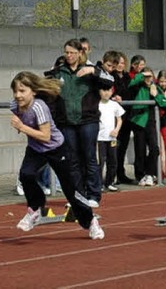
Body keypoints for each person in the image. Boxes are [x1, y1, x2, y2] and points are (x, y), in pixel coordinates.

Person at [9, 71, 104, 239]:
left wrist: (22, 127)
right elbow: (22, 122)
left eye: (22, 91)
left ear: (34, 91)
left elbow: (45, 136)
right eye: (15, 91)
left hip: (56, 148)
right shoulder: (14, 105)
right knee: (26, 175)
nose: (18, 95)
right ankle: (35, 210)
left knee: (71, 191)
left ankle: (90, 221)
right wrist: (21, 126)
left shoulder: (39, 107)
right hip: (36, 149)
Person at [53, 40, 116, 208]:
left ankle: (94, 194)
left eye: (72, 52)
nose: (69, 55)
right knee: (72, 159)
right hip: (67, 122)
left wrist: (94, 71)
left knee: (89, 157)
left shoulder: (90, 70)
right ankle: (77, 195)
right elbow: (48, 92)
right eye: (66, 52)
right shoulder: (59, 71)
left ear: (81, 53)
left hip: (88, 120)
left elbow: (110, 81)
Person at [129, 67, 166, 186]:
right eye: (145, 76)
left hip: (151, 122)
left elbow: (165, 103)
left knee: (154, 149)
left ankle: (149, 174)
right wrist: (141, 75)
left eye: (150, 76)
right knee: (140, 150)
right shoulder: (137, 87)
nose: (148, 79)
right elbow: (132, 82)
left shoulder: (155, 87)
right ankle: (140, 175)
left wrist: (156, 94)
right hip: (138, 121)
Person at [112, 52, 136, 185]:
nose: (120, 65)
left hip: (127, 117)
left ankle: (121, 173)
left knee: (123, 147)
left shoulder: (127, 77)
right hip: (115, 118)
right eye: (117, 63)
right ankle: (113, 174)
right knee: (115, 147)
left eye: (122, 63)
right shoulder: (111, 76)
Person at [97, 87, 125, 192]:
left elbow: (119, 119)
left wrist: (116, 130)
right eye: (104, 90)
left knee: (112, 160)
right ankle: (99, 183)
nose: (106, 93)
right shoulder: (96, 104)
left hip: (112, 138)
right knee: (100, 161)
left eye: (108, 90)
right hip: (99, 138)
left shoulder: (114, 105)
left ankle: (110, 182)